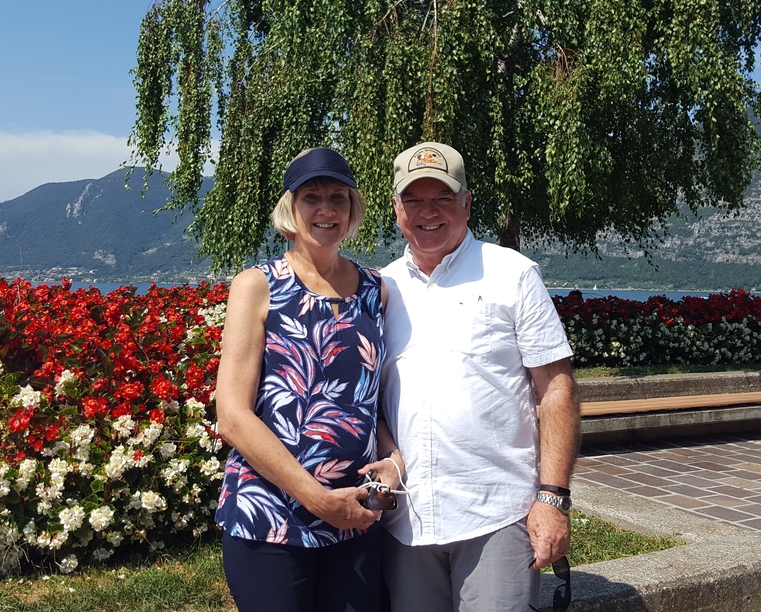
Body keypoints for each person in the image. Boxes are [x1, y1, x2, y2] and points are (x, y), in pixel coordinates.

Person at [378, 142, 581, 611]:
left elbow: (557, 390)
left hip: (494, 514)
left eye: (443, 198)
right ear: (396, 208)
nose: (428, 212)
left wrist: (553, 499)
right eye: (413, 199)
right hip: (406, 522)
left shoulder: (512, 275)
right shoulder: (380, 288)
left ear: (466, 203)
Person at [213, 147, 402, 612]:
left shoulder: (375, 290)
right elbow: (232, 417)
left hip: (355, 515)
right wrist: (318, 500)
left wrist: (394, 457)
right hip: (270, 516)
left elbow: (365, 401)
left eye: (338, 197)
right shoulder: (258, 285)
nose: (325, 209)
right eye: (312, 197)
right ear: (291, 209)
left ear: (352, 209)